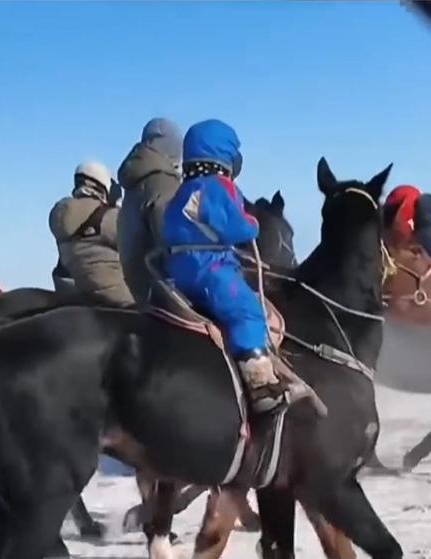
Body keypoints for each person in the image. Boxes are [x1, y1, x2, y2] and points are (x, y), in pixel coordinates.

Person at [162, 119, 285, 414]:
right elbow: (235, 228)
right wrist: (253, 225)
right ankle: (260, 382)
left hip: (179, 268)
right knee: (247, 309)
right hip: (211, 267)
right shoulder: (219, 187)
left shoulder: (182, 191)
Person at [48, 161, 134, 307]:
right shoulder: (108, 217)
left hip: (72, 294)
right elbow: (139, 243)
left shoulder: (59, 216)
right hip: (116, 296)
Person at [117, 118, 183, 304]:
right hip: (163, 290)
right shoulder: (163, 184)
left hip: (137, 285)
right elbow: (174, 242)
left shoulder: (134, 185)